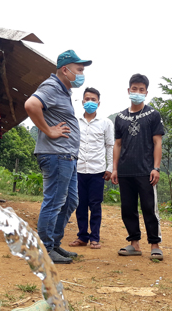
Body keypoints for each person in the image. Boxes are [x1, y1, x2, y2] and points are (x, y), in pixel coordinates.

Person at [24, 50, 92, 264]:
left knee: (70, 201)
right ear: (65, 69)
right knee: (54, 201)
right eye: (79, 69)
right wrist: (49, 130)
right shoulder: (51, 86)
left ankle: (53, 244)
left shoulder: (63, 91)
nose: (82, 74)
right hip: (56, 155)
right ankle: (43, 249)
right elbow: (31, 105)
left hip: (67, 156)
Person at [111, 74, 166, 260]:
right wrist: (115, 169)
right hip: (125, 171)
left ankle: (155, 244)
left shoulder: (153, 115)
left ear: (146, 92)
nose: (137, 92)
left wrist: (156, 168)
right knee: (128, 208)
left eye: (141, 90)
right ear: (128, 90)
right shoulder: (120, 117)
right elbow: (117, 144)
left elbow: (157, 142)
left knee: (149, 207)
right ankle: (134, 243)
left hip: (146, 170)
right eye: (134, 89)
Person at [68, 87, 114, 250]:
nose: (90, 102)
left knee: (95, 205)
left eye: (93, 100)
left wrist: (110, 167)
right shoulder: (74, 120)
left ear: (98, 103)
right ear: (82, 102)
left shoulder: (106, 123)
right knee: (79, 204)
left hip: (97, 171)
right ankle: (82, 237)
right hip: (78, 169)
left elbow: (110, 146)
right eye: (87, 99)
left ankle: (95, 238)